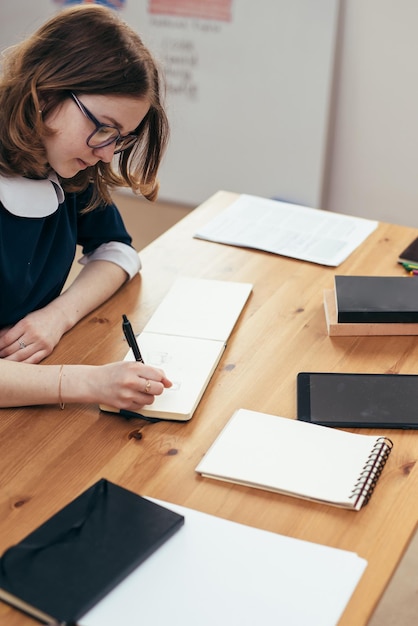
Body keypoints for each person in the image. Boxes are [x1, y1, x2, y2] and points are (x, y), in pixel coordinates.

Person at [0, 4, 173, 410]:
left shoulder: (62, 165)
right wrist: (83, 382)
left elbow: (118, 251)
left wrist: (58, 316)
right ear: (46, 91)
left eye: (121, 138)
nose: (107, 153)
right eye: (104, 128)